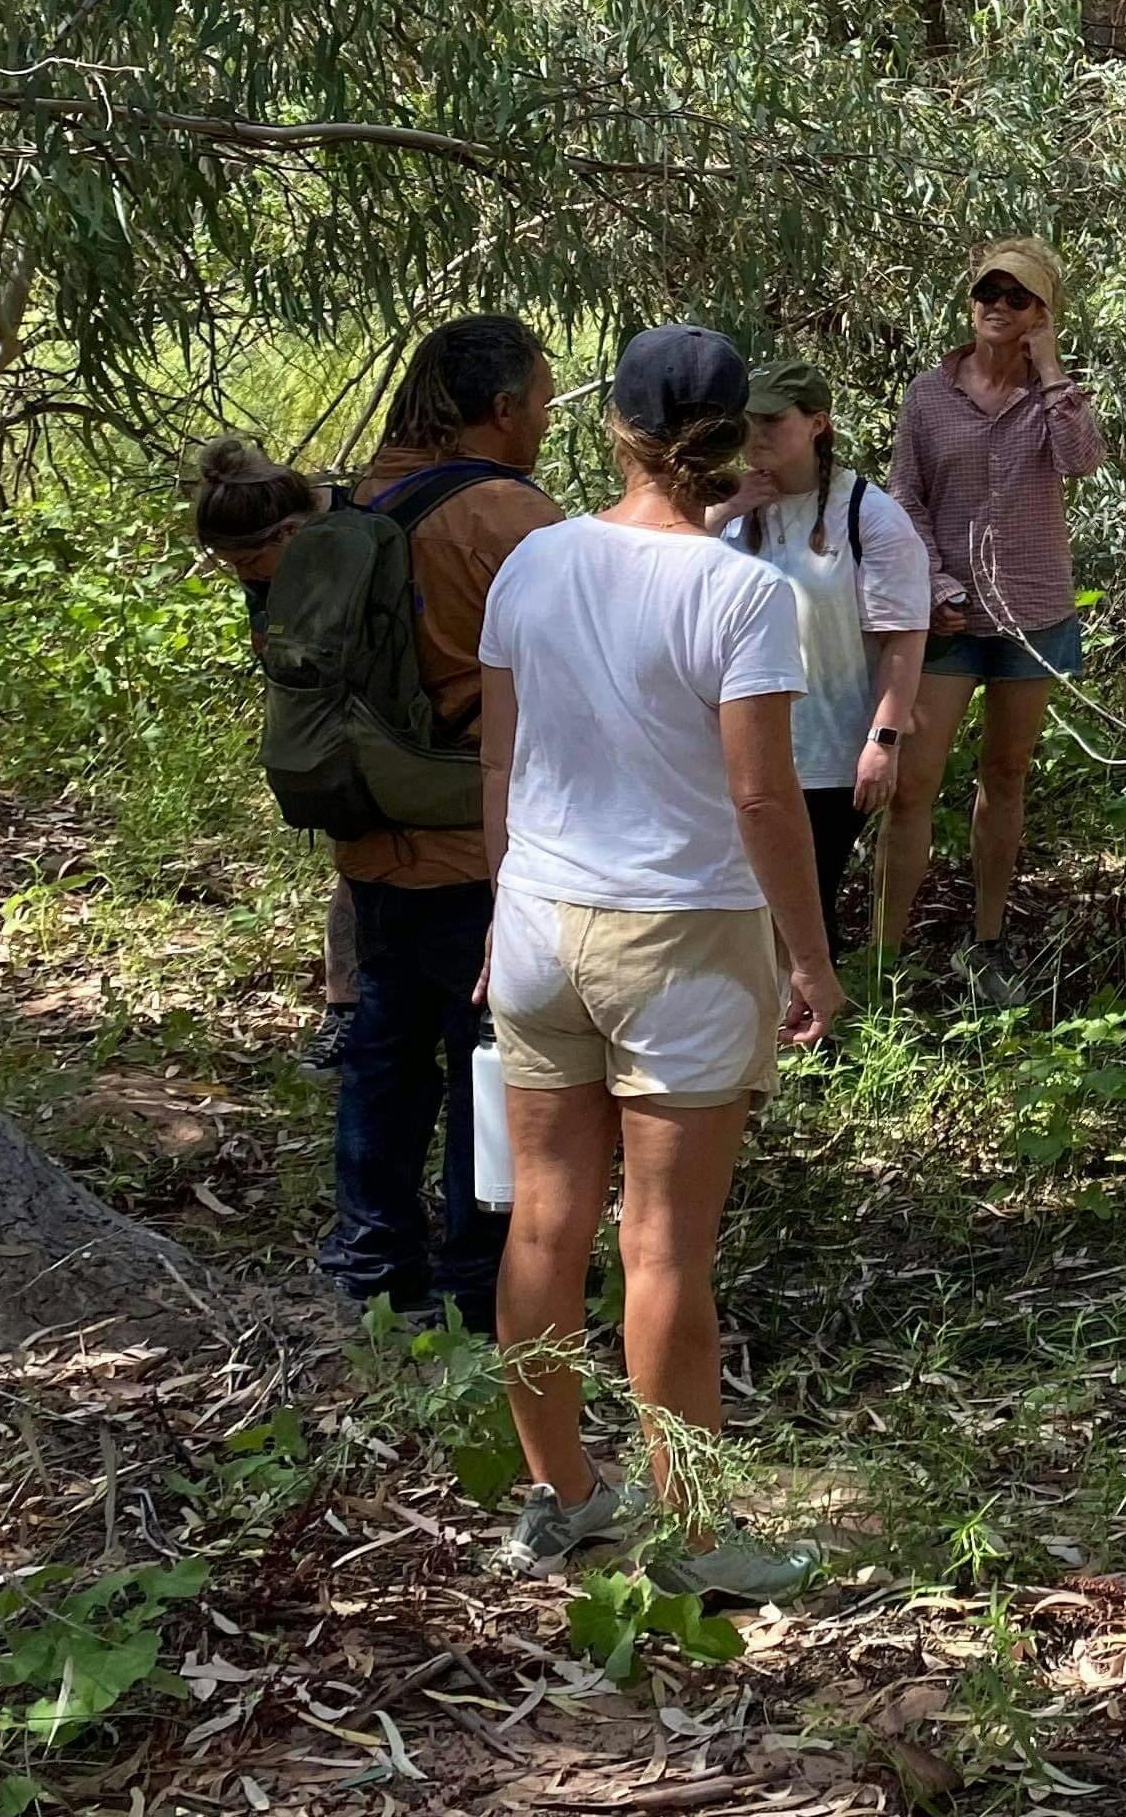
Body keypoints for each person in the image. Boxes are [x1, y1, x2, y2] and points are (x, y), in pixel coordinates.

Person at [479, 324, 841, 1601]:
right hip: (681, 938)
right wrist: (813, 959)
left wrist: (497, 912)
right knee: (664, 1248)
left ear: (616, 429)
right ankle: (697, 1539)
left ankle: (564, 1497)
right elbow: (763, 802)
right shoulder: (744, 593)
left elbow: (500, 759)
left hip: (538, 923)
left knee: (543, 1218)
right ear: (737, 438)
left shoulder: (534, 558)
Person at [303, 316, 558, 1339]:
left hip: (370, 829)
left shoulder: (359, 498)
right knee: (486, 1054)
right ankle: (476, 1275)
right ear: (503, 410)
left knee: (382, 1046)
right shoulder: (512, 518)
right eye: (540, 400)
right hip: (471, 833)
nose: (543, 418)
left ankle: (370, 1264)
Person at [886, 238, 1102, 989]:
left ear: (1042, 313)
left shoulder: (1054, 400)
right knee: (912, 782)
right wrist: (936, 584)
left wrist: (1049, 371)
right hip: (948, 623)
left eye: (1017, 298)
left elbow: (1081, 460)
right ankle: (885, 954)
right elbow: (904, 497)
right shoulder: (927, 395)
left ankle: (988, 941)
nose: (998, 308)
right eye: (988, 293)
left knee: (1004, 775)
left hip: (1032, 619)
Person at [709, 359, 932, 960]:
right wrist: (725, 511)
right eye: (746, 421)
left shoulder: (869, 515)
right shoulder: (727, 510)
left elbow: (905, 638)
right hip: (742, 742)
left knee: (804, 896)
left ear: (816, 425)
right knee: (749, 900)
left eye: (772, 421)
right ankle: (781, 1028)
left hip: (829, 751)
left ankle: (815, 1029)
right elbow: (669, 584)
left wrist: (882, 741)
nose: (755, 437)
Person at [186, 443, 352, 1068]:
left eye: (252, 560)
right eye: (230, 564)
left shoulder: (355, 532)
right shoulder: (266, 567)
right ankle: (344, 1010)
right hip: (320, 728)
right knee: (352, 867)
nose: (245, 575)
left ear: (291, 530)